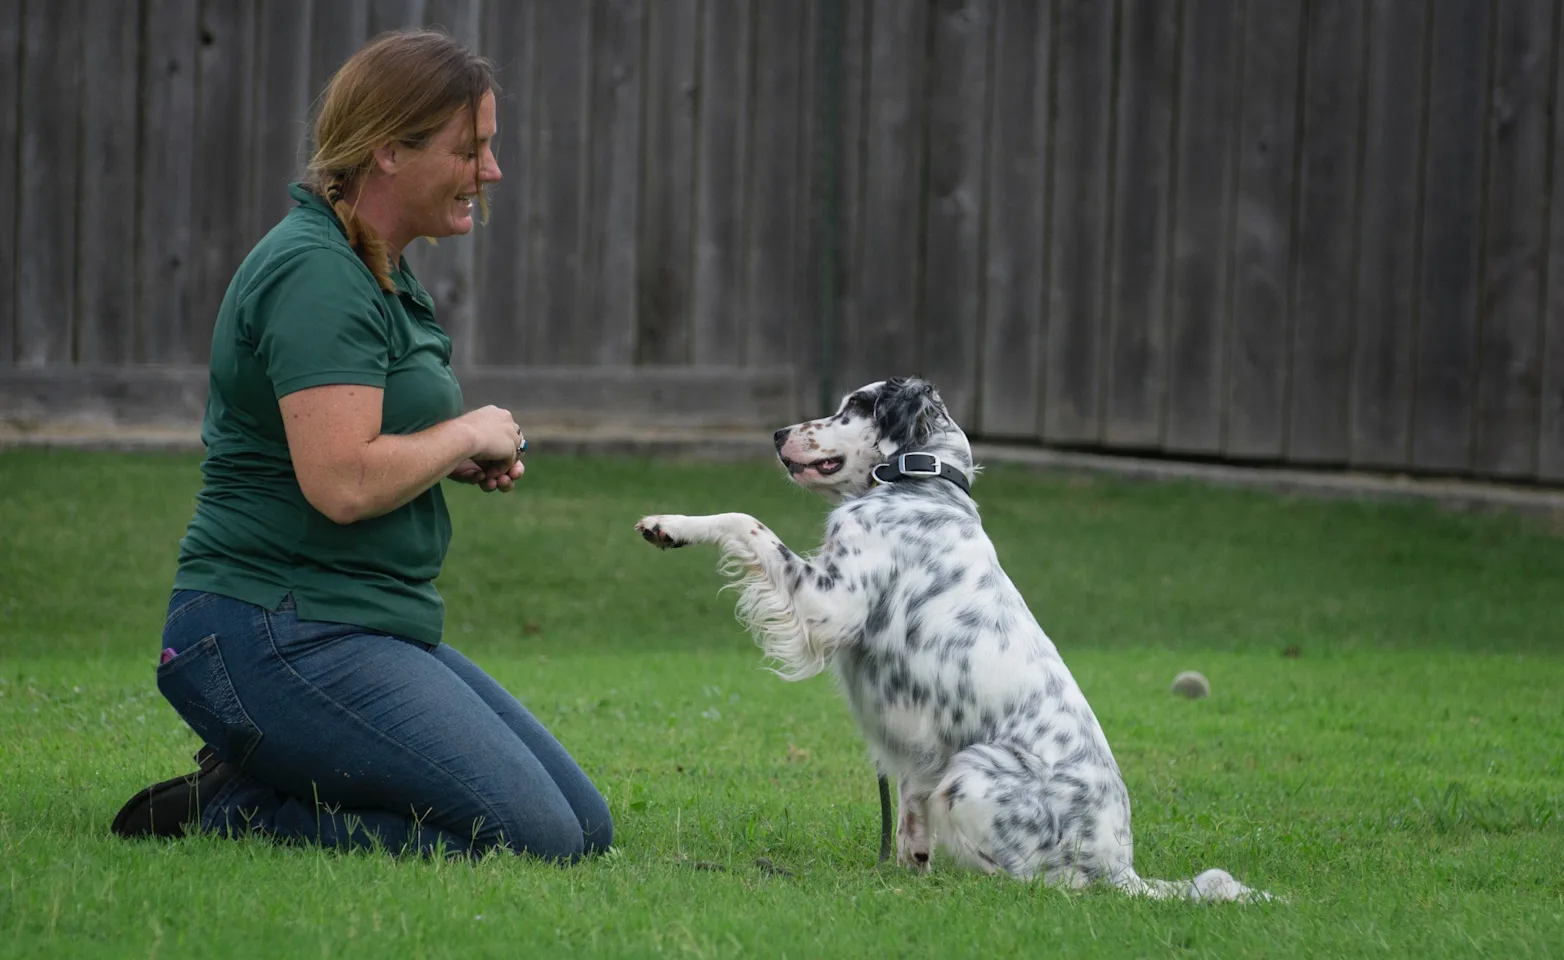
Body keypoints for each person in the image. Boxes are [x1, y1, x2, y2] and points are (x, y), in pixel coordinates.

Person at [109, 29, 612, 861]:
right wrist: (465, 430)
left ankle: (270, 779)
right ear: (387, 151)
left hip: (355, 621)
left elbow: (349, 441)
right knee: (536, 842)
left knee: (585, 827)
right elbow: (341, 482)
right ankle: (239, 809)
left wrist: (446, 455)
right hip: (270, 626)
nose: (491, 172)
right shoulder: (315, 272)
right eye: (469, 149)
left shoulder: (375, 266)